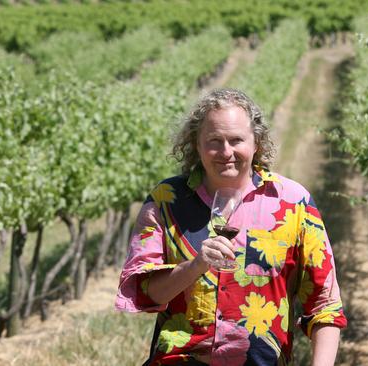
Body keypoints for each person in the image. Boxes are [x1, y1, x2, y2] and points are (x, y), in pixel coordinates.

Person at [115, 88, 346, 365]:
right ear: (196, 145)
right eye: (214, 141)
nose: (226, 152)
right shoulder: (166, 201)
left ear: (256, 142)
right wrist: (196, 265)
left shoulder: (294, 203)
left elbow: (324, 304)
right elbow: (146, 293)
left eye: (236, 140)